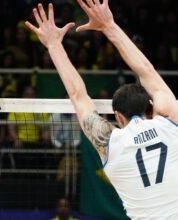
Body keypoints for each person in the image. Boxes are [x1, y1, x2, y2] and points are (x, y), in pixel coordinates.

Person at [26, 1, 178, 219]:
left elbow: (78, 95)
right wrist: (109, 25)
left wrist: (53, 45)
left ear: (117, 116)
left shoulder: (109, 143)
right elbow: (146, 70)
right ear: (151, 106)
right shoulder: (171, 122)